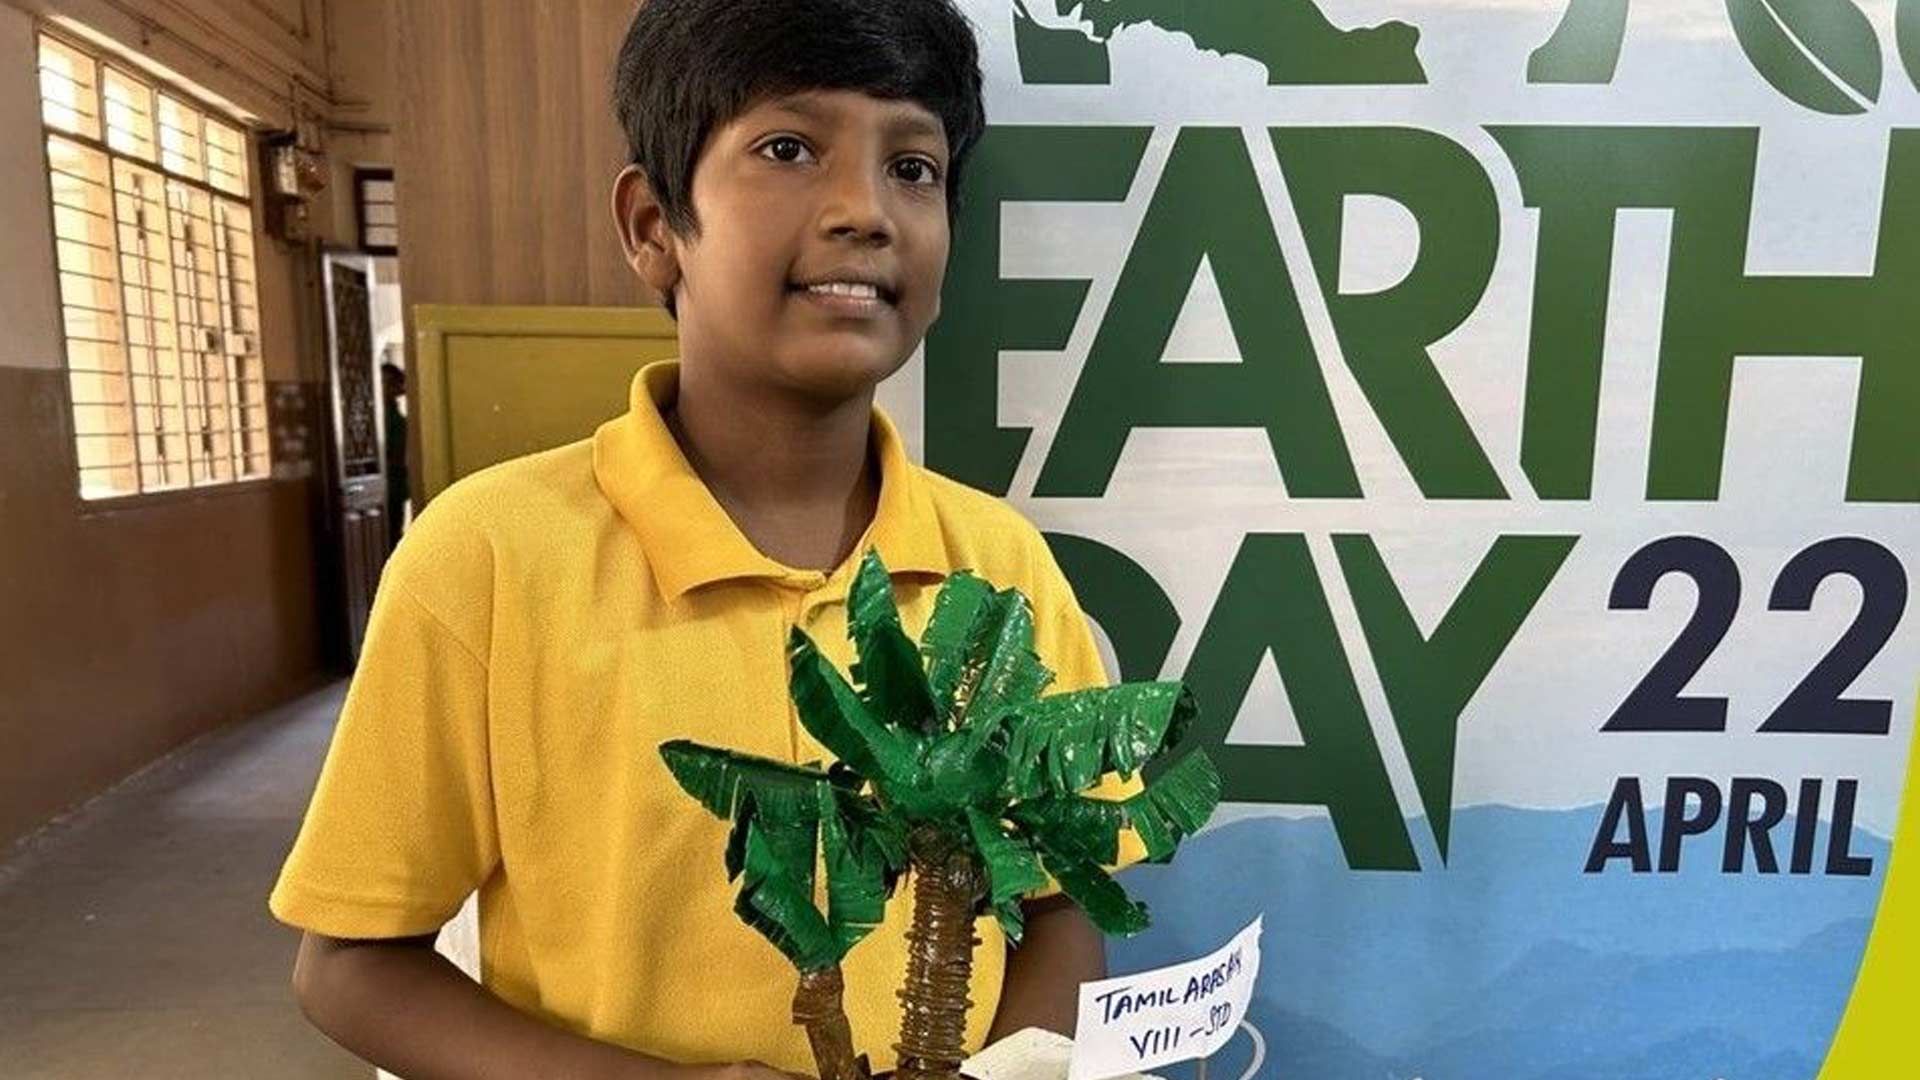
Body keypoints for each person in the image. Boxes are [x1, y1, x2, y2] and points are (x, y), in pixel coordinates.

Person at [270, 1, 1143, 1077]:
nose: (865, 209)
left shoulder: (998, 563)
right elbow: (351, 963)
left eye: (913, 167)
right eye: (787, 148)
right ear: (651, 227)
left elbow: (1059, 910)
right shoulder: (487, 556)